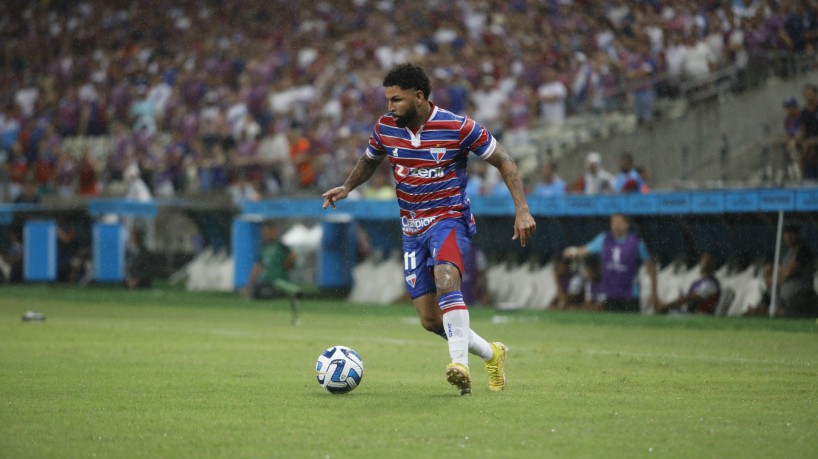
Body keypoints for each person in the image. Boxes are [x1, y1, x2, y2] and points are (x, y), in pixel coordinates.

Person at [322, 63, 536, 395]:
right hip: (411, 229)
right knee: (430, 320)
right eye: (388, 100)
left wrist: (522, 209)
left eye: (396, 100)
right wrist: (347, 187)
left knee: (446, 278)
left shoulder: (458, 127)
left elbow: (504, 161)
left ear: (419, 97)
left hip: (449, 219)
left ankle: (459, 365)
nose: (390, 107)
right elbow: (369, 160)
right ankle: (492, 353)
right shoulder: (385, 129)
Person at [562, 214, 658, 312]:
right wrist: (573, 251)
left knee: (631, 325)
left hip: (630, 295)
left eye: (618, 222)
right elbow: (586, 249)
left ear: (626, 225)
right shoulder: (604, 239)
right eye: (612, 222)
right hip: (609, 294)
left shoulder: (636, 243)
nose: (614, 225)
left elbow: (650, 267)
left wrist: (654, 292)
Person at [243, 221, 301, 300]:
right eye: (264, 232)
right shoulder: (264, 248)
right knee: (258, 290)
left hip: (279, 282)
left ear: (274, 231)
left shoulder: (281, 246)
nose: (265, 234)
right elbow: (258, 266)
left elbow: (294, 256)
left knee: (263, 293)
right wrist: (250, 284)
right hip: (267, 282)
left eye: (267, 231)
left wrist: (287, 265)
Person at [655, 252, 721, 315]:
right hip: (689, 313)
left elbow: (691, 298)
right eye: (703, 259)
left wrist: (667, 306)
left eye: (708, 261)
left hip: (700, 316)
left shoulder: (711, 283)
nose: (704, 262)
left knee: (664, 313)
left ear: (713, 264)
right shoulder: (697, 282)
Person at [777, 224, 818, 318]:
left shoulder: (803, 251)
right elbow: (780, 271)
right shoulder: (788, 252)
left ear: (797, 235)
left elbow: (789, 271)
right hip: (787, 296)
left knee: (789, 315)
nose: (788, 237)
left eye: (791, 234)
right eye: (786, 234)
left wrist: (781, 275)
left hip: (801, 294)